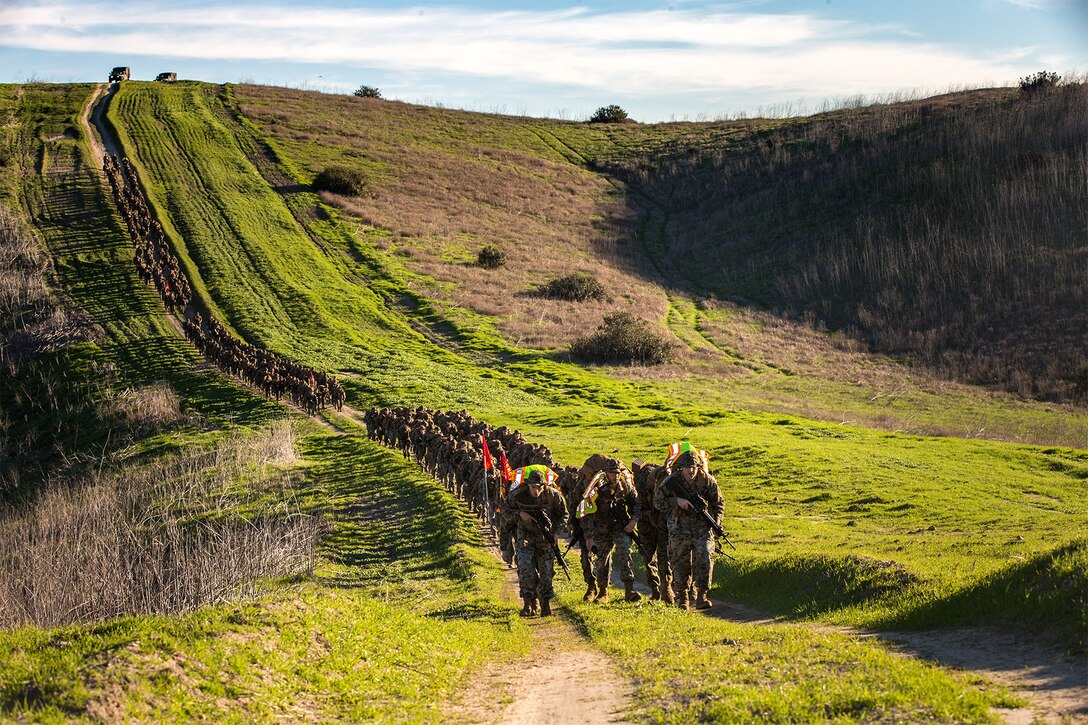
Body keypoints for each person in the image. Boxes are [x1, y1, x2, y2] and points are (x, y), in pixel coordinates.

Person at [653, 449, 723, 610]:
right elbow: (657, 501)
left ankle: (701, 595)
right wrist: (676, 501)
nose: (691, 470)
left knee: (705, 557)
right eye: (687, 467)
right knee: (679, 562)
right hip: (679, 528)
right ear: (680, 468)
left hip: (701, 528)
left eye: (694, 467)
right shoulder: (672, 481)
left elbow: (718, 503)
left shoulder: (707, 481)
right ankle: (683, 597)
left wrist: (716, 523)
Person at [505, 469, 568, 617]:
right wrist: (519, 514)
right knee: (526, 568)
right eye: (533, 487)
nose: (536, 490)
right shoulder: (517, 495)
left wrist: (556, 533)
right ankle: (529, 602)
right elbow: (504, 511)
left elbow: (563, 514)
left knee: (546, 571)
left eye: (540, 487)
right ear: (528, 485)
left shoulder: (553, 495)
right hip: (525, 536)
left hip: (545, 538)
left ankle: (545, 603)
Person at [578, 460, 642, 604]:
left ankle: (629, 590)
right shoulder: (596, 488)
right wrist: (588, 536)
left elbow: (636, 503)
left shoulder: (625, 486)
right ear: (606, 473)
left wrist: (633, 521)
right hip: (601, 528)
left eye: (618, 472)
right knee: (602, 559)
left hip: (620, 527)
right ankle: (603, 591)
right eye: (612, 473)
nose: (615, 476)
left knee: (625, 551)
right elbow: (586, 512)